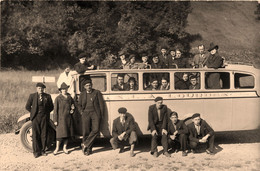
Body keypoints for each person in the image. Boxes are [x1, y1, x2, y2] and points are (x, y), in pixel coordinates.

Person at [25, 83, 54, 158]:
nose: (40, 90)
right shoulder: (32, 96)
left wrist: (46, 112)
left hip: (44, 117)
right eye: (39, 88)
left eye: (42, 88)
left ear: (43, 89)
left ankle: (43, 150)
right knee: (35, 134)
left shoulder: (47, 96)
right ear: (36, 89)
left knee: (44, 134)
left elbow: (51, 107)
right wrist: (33, 112)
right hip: (35, 117)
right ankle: (36, 152)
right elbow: (27, 106)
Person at [78, 79, 105, 156]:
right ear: (84, 87)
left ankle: (85, 144)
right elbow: (79, 105)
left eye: (90, 85)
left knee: (96, 130)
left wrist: (100, 115)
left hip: (95, 113)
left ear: (92, 85)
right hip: (85, 113)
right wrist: (81, 112)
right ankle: (87, 149)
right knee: (86, 131)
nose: (89, 87)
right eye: (87, 86)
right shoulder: (82, 94)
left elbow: (101, 105)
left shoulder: (97, 92)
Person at [53, 83, 75, 155]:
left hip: (68, 119)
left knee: (67, 135)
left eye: (65, 89)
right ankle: (57, 149)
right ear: (60, 90)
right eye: (63, 89)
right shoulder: (58, 98)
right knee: (59, 135)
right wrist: (55, 120)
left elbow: (72, 105)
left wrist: (72, 110)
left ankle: (65, 148)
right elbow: (55, 110)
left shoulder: (69, 97)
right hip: (60, 119)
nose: (64, 90)